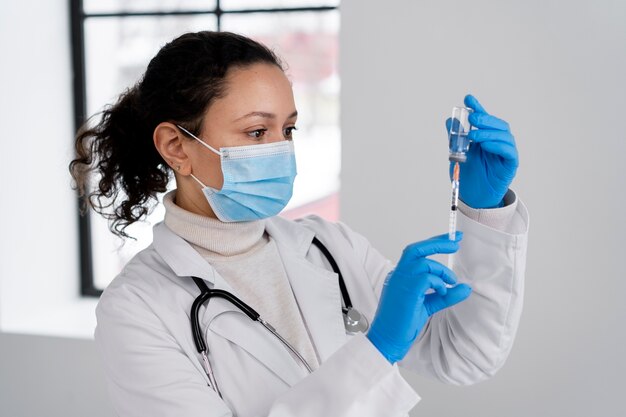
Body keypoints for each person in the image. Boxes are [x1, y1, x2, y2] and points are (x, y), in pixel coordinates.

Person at [69, 31, 529, 417]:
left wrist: (484, 210)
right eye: (256, 132)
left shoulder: (330, 248)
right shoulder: (136, 309)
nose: (281, 149)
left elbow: (466, 356)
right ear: (176, 146)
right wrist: (378, 348)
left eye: (287, 129)